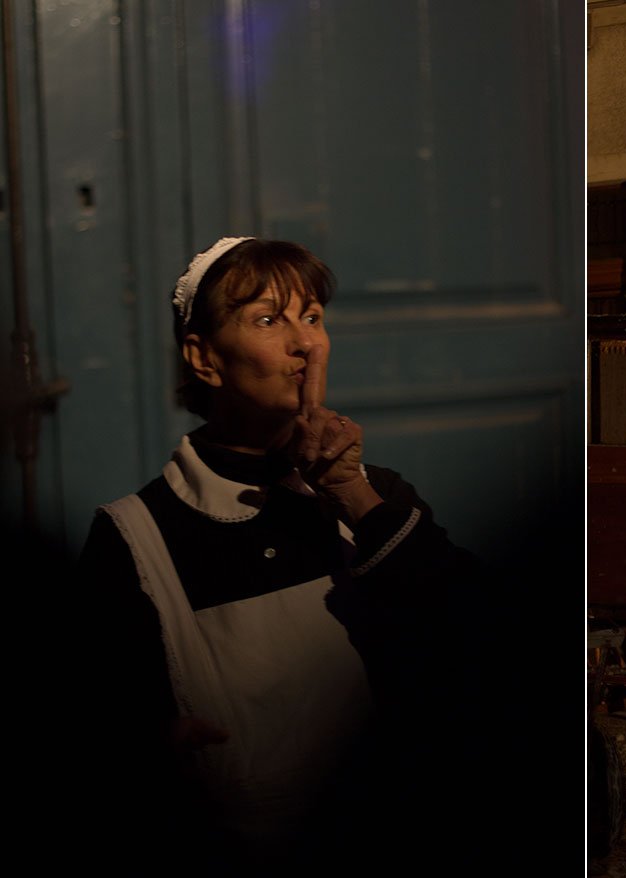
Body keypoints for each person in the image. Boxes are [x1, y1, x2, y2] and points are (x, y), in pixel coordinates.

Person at [75, 237, 485, 872]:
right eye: (269, 319)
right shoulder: (136, 538)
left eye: (313, 317)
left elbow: (472, 633)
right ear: (204, 358)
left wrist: (349, 491)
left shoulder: (372, 496)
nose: (308, 344)